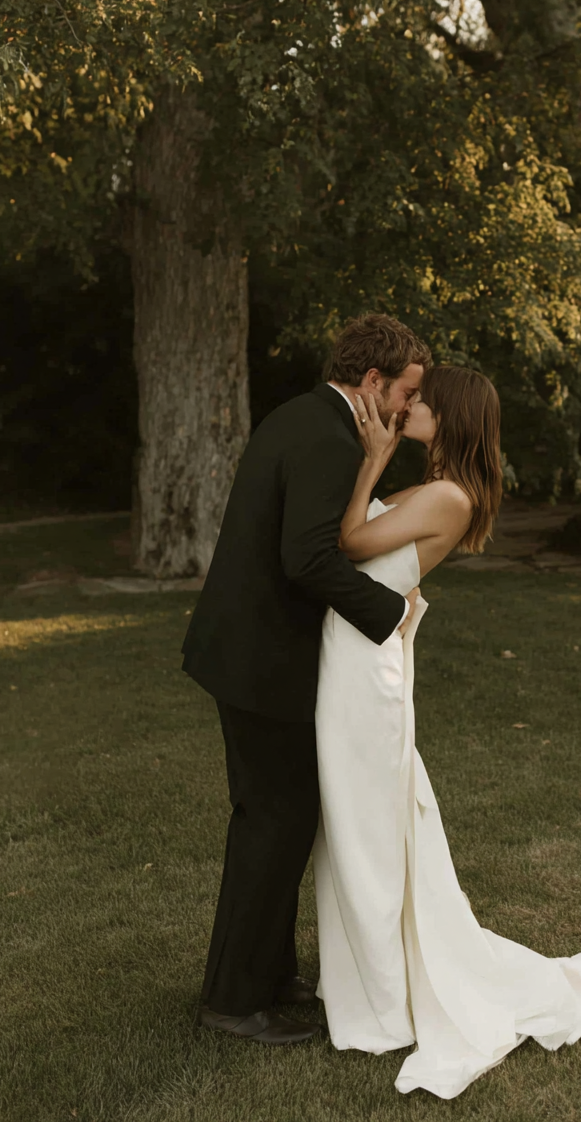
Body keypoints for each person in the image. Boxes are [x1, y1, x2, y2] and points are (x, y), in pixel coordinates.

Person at [313, 365, 581, 1098]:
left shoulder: (447, 494)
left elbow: (349, 540)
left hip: (361, 669)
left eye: (420, 401)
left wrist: (374, 456)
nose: (408, 406)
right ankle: (367, 984)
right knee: (356, 828)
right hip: (355, 654)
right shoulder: (444, 489)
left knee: (366, 833)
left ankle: (382, 1004)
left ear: (449, 417)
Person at [182, 313, 431, 1045]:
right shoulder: (326, 438)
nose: (408, 409)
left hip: (245, 649)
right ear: (373, 380)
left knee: (281, 818)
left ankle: (269, 972)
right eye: (405, 393)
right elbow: (310, 560)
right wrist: (396, 610)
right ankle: (231, 1000)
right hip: (263, 660)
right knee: (273, 822)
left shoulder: (306, 415)